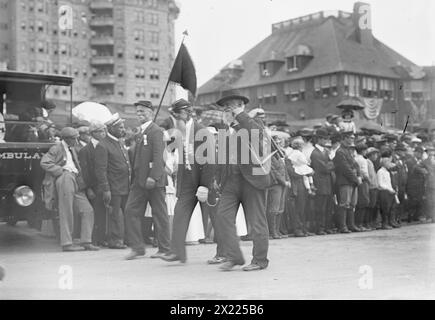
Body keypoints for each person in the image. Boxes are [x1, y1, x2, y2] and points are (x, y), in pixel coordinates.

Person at [213, 90, 272, 272]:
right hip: (231, 181)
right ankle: (234, 256)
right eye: (226, 107)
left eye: (232, 106)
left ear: (241, 106)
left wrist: (240, 114)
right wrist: (217, 178)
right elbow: (221, 156)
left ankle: (260, 260)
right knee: (222, 217)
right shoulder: (225, 128)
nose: (228, 110)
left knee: (256, 222)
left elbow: (257, 134)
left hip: (252, 179)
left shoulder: (254, 123)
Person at [159, 99, 215, 264]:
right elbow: (170, 148)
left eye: (175, 117)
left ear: (185, 114)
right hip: (188, 181)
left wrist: (205, 185)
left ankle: (226, 252)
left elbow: (211, 160)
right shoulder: (180, 131)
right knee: (180, 215)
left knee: (217, 218)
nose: (174, 121)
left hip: (205, 179)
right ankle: (177, 252)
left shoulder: (201, 131)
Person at [124, 101, 170, 260]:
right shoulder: (140, 132)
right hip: (139, 181)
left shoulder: (156, 131)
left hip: (153, 180)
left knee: (160, 214)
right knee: (130, 211)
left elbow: (160, 156)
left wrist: (154, 176)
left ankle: (165, 248)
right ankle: (137, 247)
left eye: (143, 111)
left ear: (151, 112)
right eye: (137, 112)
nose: (139, 114)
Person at [40, 127, 99, 252]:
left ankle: (86, 241)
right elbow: (44, 162)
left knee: (87, 210)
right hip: (66, 178)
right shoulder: (56, 148)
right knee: (66, 211)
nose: (76, 140)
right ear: (66, 138)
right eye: (74, 138)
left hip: (76, 179)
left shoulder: (72, 148)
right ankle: (67, 243)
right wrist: (61, 171)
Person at [94, 114, 131, 249]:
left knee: (126, 214)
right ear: (111, 129)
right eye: (120, 127)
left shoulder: (120, 142)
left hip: (125, 186)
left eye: (123, 127)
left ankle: (126, 238)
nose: (123, 129)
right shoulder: (103, 146)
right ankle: (115, 240)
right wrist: (106, 189)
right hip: (113, 188)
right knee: (115, 215)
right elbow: (100, 170)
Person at [78, 121, 107, 247]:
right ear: (93, 133)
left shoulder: (105, 146)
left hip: (103, 185)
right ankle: (93, 238)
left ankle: (101, 238)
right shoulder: (85, 150)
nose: (104, 133)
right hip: (93, 186)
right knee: (94, 212)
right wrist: (88, 188)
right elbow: (84, 171)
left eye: (104, 131)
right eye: (101, 131)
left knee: (102, 212)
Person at [333, 131, 362, 233]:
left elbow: (355, 165)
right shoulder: (340, 151)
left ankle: (351, 225)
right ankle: (343, 226)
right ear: (344, 138)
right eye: (350, 138)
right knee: (344, 204)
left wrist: (359, 175)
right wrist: (356, 178)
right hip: (345, 181)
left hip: (352, 181)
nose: (352, 140)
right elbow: (345, 168)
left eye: (353, 138)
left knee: (352, 204)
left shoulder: (348, 151)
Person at [310, 128, 335, 235]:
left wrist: (330, 164)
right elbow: (324, 168)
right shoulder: (315, 153)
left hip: (327, 183)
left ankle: (325, 227)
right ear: (318, 139)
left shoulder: (325, 151)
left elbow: (330, 165)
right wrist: (331, 164)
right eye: (324, 139)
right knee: (320, 207)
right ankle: (319, 228)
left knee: (328, 207)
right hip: (320, 183)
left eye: (326, 139)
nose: (326, 141)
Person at [406, 146, 428, 223]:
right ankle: (409, 217)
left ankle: (415, 216)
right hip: (412, 184)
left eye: (421, 153)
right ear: (415, 153)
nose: (420, 154)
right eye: (418, 153)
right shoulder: (410, 161)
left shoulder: (421, 161)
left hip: (419, 184)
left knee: (418, 200)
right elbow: (413, 170)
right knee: (412, 201)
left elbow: (426, 170)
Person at [377, 150, 397, 230]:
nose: (390, 165)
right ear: (384, 163)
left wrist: (392, 190)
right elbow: (380, 184)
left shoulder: (387, 172)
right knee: (385, 209)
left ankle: (390, 222)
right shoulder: (380, 172)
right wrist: (389, 189)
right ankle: (384, 224)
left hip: (390, 192)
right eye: (388, 163)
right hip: (384, 192)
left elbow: (389, 183)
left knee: (390, 208)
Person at [366, 147, 380, 229]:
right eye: (374, 154)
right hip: (371, 187)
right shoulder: (368, 162)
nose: (376, 156)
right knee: (370, 205)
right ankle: (368, 222)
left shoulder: (371, 163)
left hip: (374, 186)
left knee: (373, 205)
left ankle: (372, 222)